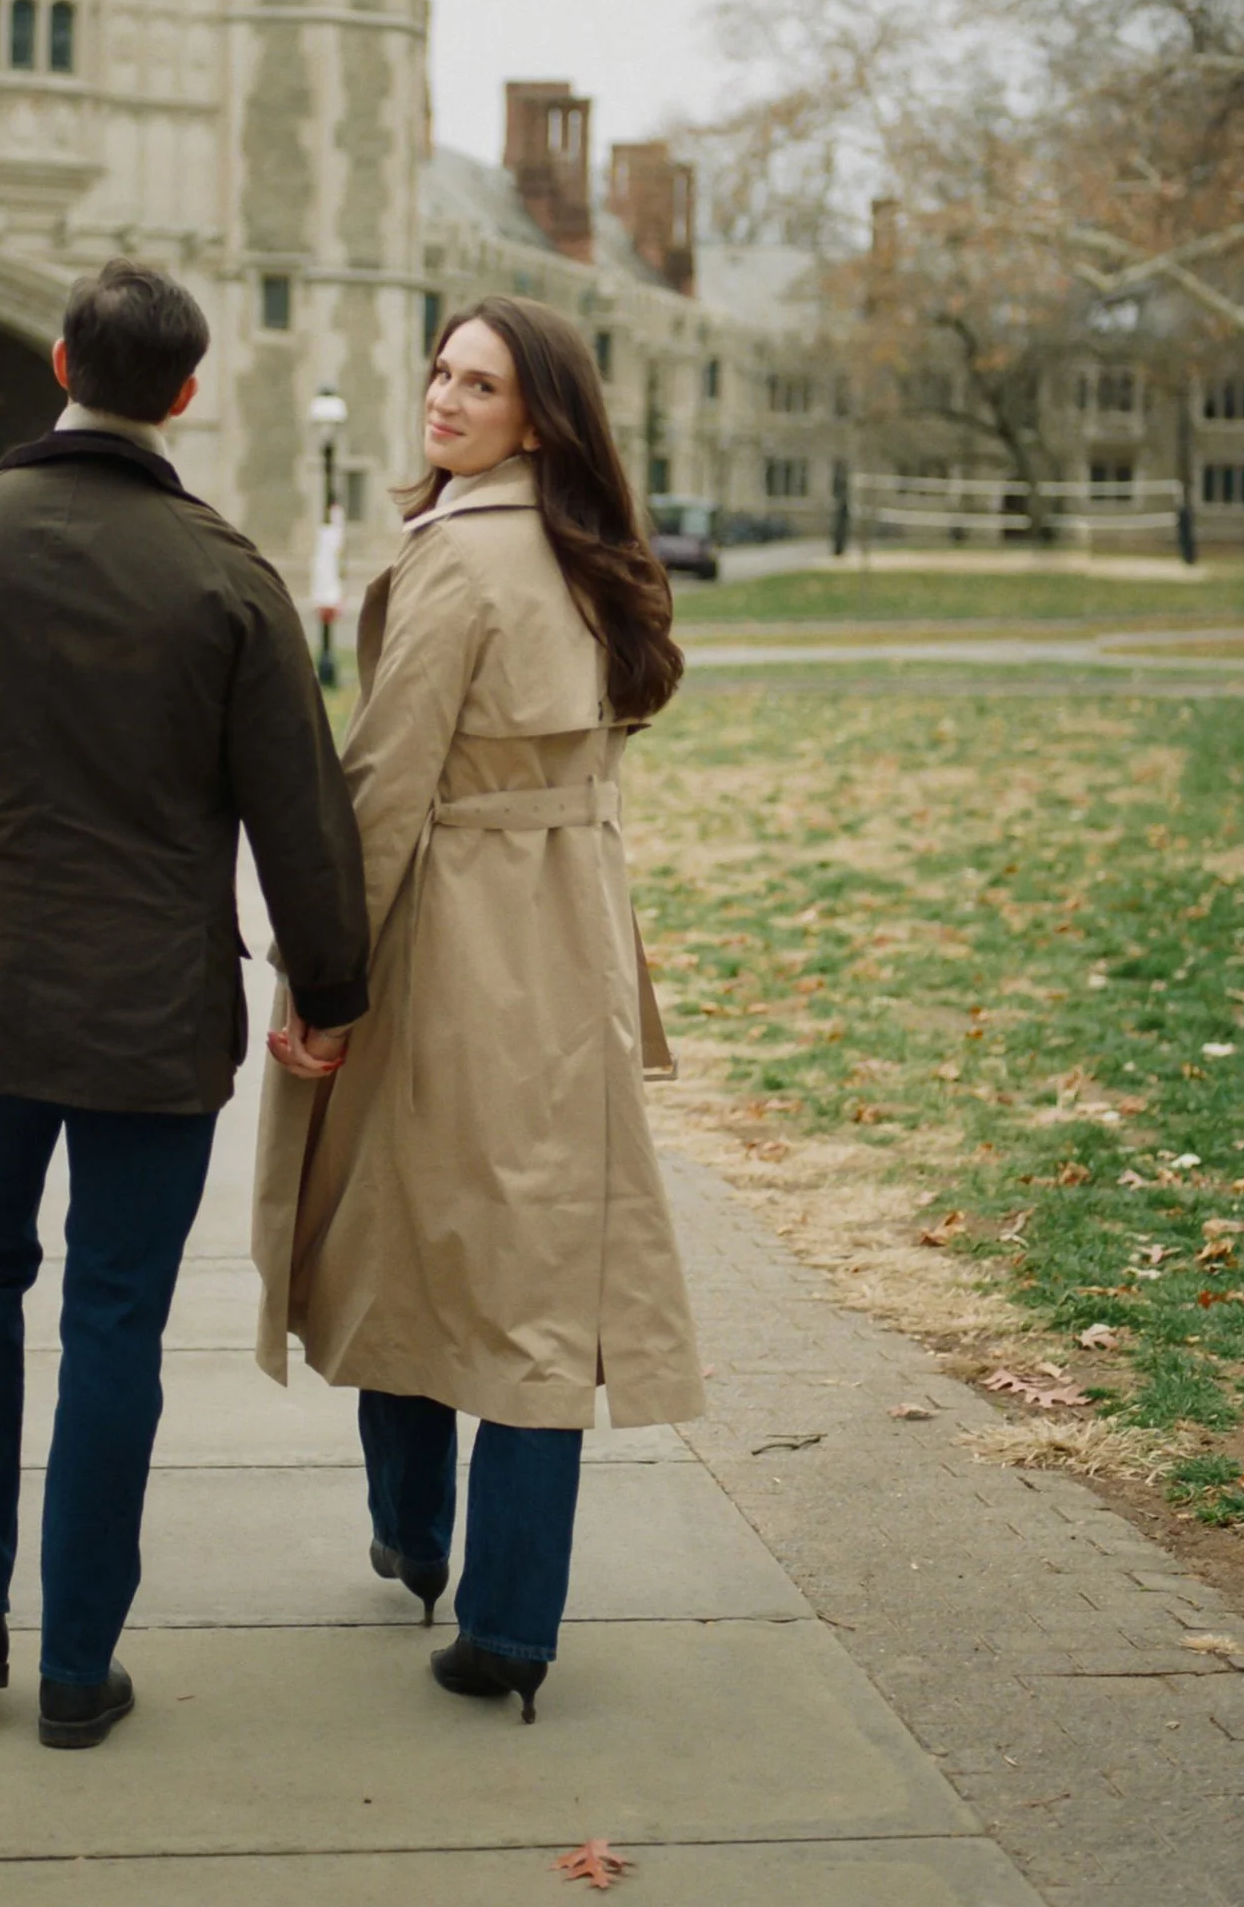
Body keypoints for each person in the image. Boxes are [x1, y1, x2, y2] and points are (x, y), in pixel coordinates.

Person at [0, 260, 367, 1749]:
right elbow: (299, 824)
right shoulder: (227, 576)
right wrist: (335, 991)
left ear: (56, 361)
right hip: (152, 1013)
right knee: (115, 1324)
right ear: (184, 395)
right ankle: (78, 1668)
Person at [254, 294, 705, 1724]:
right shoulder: (599, 555)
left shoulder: (458, 562)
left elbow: (383, 788)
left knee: (401, 1235)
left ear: (537, 414)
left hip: (455, 941)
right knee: (539, 1279)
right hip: (568, 938)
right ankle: (500, 1610)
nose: (443, 399)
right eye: (440, 371)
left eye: (480, 382)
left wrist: (325, 981)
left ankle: (427, 1545)